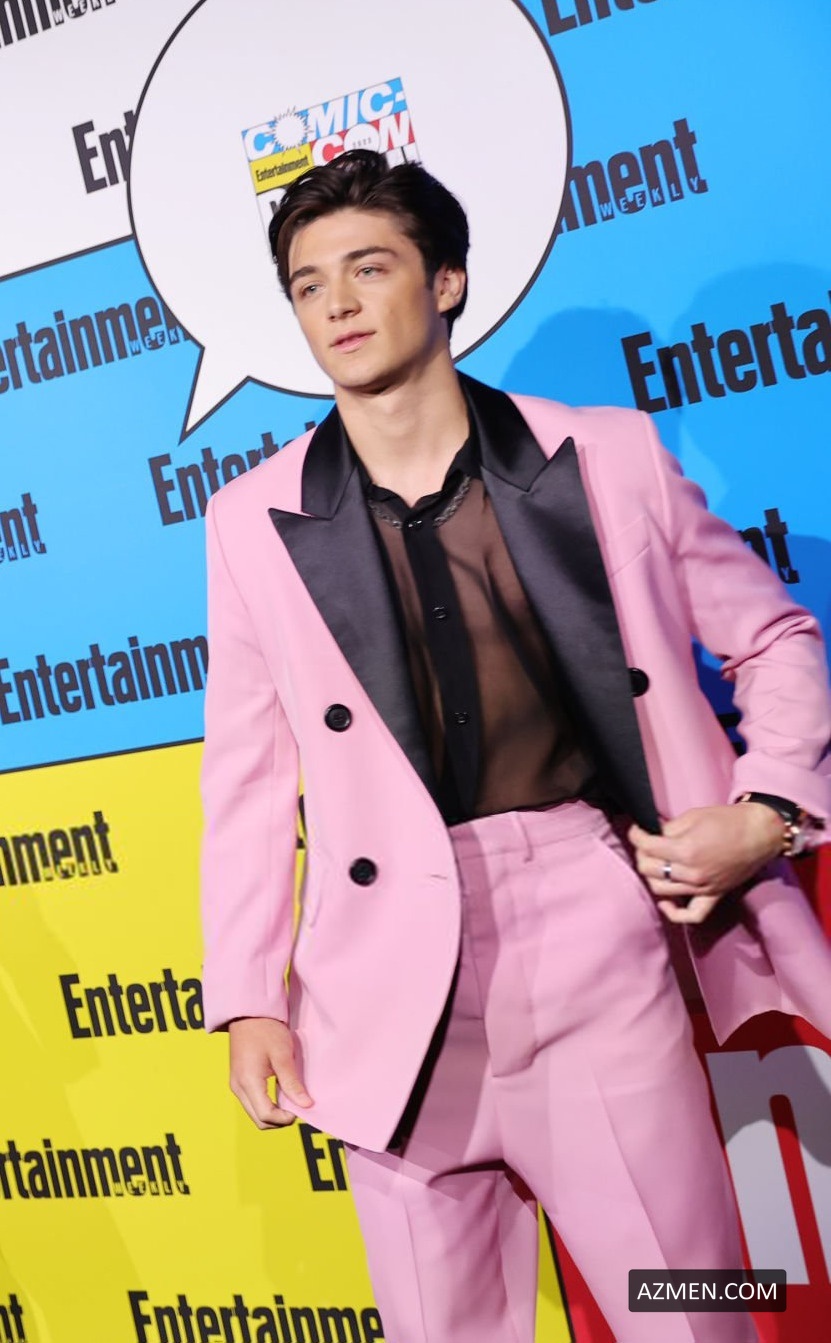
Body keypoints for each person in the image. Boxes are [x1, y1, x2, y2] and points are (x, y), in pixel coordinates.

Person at [200, 149, 831, 1343]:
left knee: (685, 1304)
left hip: (593, 931)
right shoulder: (249, 523)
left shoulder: (609, 456)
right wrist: (247, 997)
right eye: (308, 283)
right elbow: (244, 782)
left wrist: (769, 810)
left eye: (368, 267)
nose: (335, 303)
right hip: (383, 981)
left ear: (445, 282)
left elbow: (777, 636)